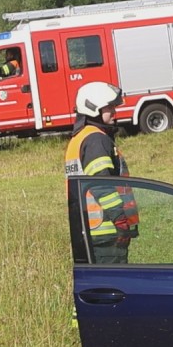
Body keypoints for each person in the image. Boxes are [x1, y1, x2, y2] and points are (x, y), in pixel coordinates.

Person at [64, 82, 138, 264]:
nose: (114, 112)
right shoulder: (96, 140)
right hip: (107, 233)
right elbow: (101, 184)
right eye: (109, 107)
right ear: (93, 108)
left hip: (88, 231)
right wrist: (120, 220)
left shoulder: (80, 138)